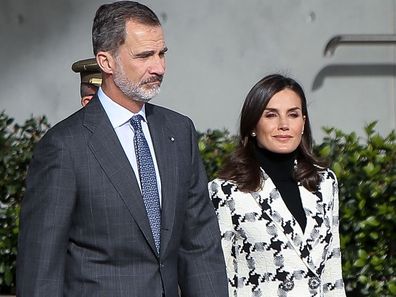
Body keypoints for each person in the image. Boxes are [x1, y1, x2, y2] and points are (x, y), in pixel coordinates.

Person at [16, 2, 228, 297]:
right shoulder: (64, 146)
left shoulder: (178, 132)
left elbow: (200, 245)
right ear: (106, 62)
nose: (159, 67)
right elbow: (40, 268)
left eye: (161, 53)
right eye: (144, 56)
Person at [208, 74, 346, 297]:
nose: (284, 125)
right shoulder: (226, 191)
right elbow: (223, 277)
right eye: (271, 115)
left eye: (293, 115)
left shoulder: (324, 182)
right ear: (253, 125)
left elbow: (332, 269)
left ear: (303, 123)